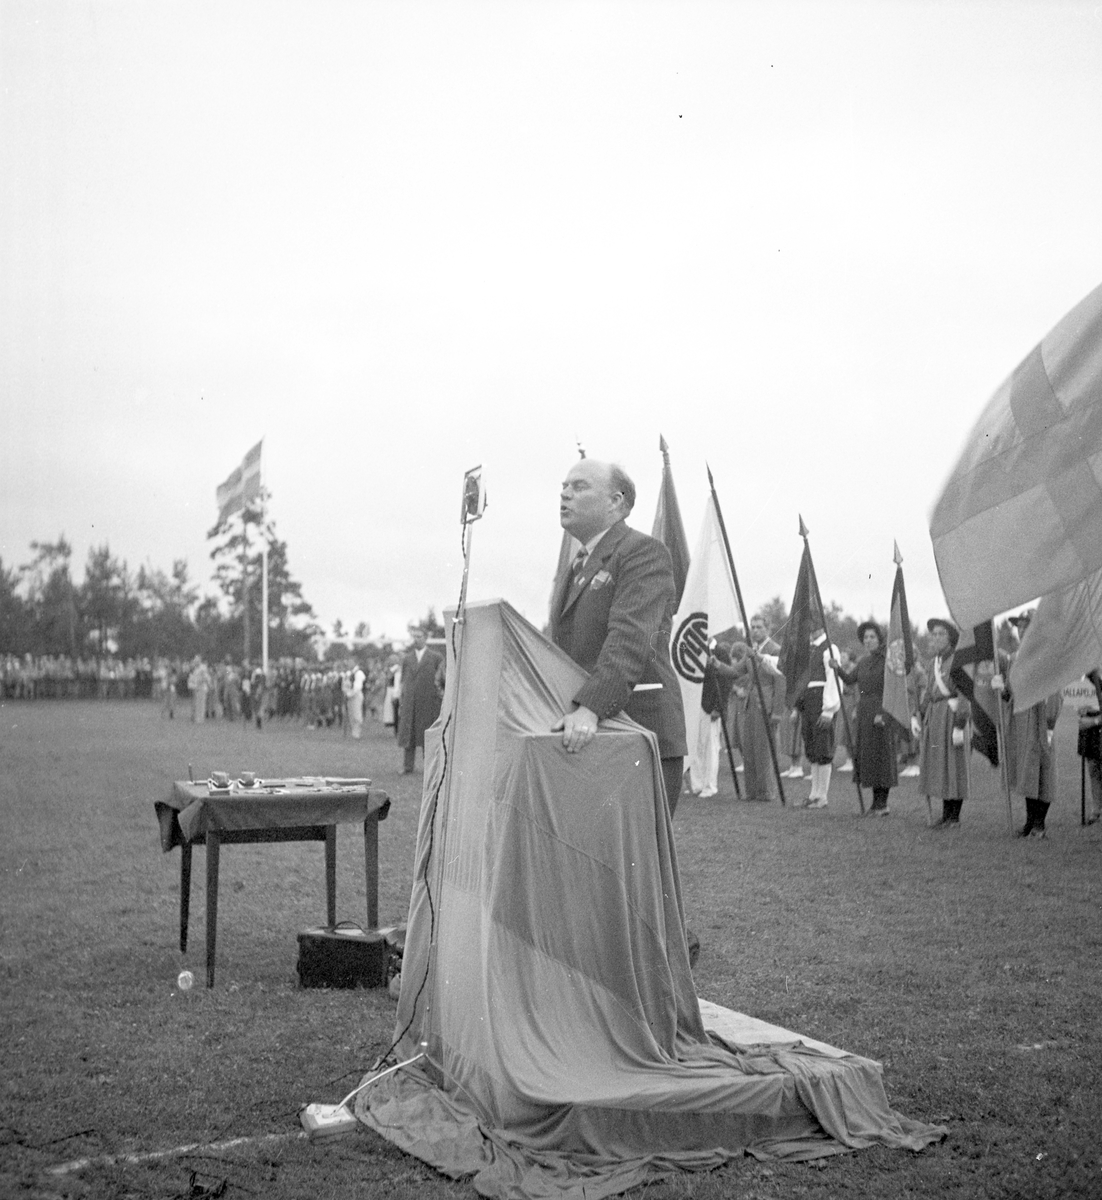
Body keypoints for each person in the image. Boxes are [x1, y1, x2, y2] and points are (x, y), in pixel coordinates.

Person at [549, 457, 687, 815]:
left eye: (579, 487)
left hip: (637, 729)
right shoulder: (575, 566)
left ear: (617, 502)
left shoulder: (643, 552)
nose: (565, 494)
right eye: (564, 487)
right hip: (589, 731)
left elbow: (629, 638)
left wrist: (591, 708)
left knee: (635, 861)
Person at [991, 611, 1062, 838]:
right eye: (1019, 627)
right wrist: (1002, 689)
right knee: (1026, 770)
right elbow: (1011, 693)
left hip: (1040, 716)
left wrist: (1050, 724)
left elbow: (1054, 693)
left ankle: (1040, 824)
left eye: (1027, 626)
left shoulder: (1047, 655)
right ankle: (1030, 822)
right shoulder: (1016, 658)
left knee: (1042, 769)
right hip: (1021, 718)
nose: (1022, 630)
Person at [713, 619, 783, 802]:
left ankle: (766, 791)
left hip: (765, 704)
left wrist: (777, 711)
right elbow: (736, 671)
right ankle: (751, 791)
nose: (755, 631)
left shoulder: (775, 650)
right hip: (749, 703)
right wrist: (718, 665)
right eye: (752, 627)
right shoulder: (751, 650)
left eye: (759, 627)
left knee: (764, 749)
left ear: (768, 628)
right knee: (749, 748)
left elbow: (780, 681)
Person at [832, 622, 898, 815]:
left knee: (881, 758)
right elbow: (851, 680)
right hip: (865, 712)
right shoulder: (863, 661)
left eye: (872, 637)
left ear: (880, 639)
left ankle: (883, 803)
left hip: (881, 711)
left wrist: (884, 714)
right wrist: (837, 669)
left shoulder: (888, 660)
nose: (868, 641)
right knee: (869, 757)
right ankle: (875, 803)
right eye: (866, 638)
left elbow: (892, 689)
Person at [917, 618, 970, 828]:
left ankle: (954, 816)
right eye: (934, 634)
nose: (937, 637)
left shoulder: (958, 660)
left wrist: (960, 724)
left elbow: (965, 693)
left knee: (954, 765)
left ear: (951, 638)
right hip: (936, 715)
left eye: (941, 634)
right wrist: (918, 714)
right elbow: (929, 692)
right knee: (941, 765)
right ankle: (946, 814)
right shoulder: (934, 662)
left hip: (952, 715)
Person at [794, 625, 841, 809]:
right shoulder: (809, 649)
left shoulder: (830, 648)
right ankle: (814, 793)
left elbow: (833, 678)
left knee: (823, 748)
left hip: (821, 700)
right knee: (812, 749)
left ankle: (822, 796)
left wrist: (829, 710)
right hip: (808, 700)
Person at [398, 626, 444, 773]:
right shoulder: (407, 659)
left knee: (427, 735)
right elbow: (403, 681)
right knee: (408, 735)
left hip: (428, 703)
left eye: (419, 636)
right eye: (414, 636)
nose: (416, 639)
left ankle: (430, 768)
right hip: (410, 703)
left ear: (425, 638)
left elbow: (442, 679)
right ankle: (407, 767)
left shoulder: (436, 657)